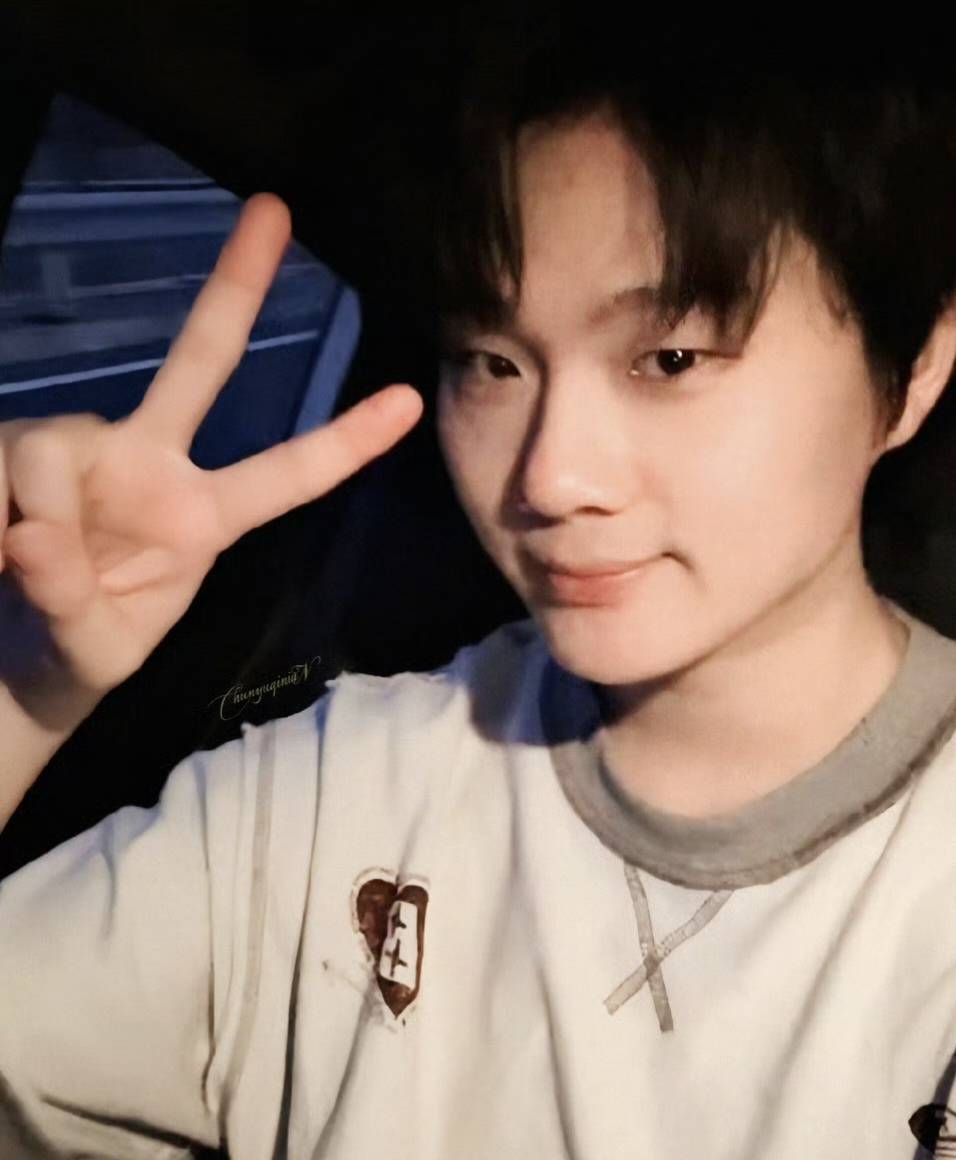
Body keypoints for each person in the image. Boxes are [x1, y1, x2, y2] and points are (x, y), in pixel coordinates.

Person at [2, 13, 956, 1159]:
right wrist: (23, 690)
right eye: (492, 362)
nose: (548, 475)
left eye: (667, 358)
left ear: (911, 366)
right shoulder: (331, 801)